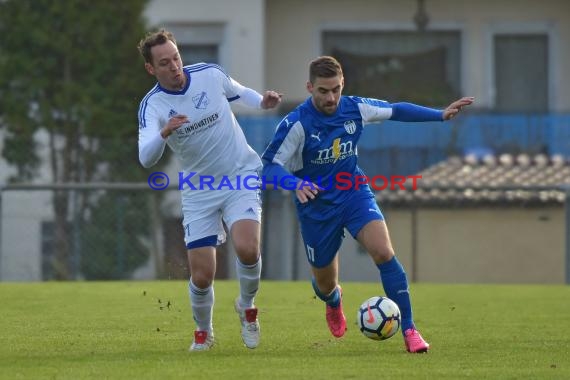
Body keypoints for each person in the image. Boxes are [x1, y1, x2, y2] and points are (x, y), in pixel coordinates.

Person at [261, 56, 473, 353]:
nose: (331, 97)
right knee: (324, 284)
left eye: (335, 89)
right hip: (316, 206)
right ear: (309, 87)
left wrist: (439, 115)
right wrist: (295, 184)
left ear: (343, 84)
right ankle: (333, 300)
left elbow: (396, 109)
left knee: (384, 252)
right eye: (323, 91)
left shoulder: (354, 107)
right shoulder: (296, 123)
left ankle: (410, 330)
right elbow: (269, 167)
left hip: (353, 192)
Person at [137, 29, 281, 351]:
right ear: (151, 69)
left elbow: (238, 91)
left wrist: (262, 101)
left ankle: (247, 305)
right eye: (164, 62)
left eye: (176, 57)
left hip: (239, 174)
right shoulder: (153, 106)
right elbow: (146, 157)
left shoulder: (209, 74)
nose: (174, 66)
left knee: (247, 248)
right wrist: (163, 133)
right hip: (199, 189)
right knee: (202, 275)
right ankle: (204, 332)